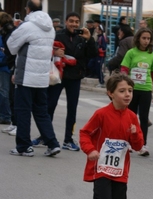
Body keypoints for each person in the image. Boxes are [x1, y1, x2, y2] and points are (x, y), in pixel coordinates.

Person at [79, 73, 144, 199]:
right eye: (122, 91)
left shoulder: (132, 117)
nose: (127, 94)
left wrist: (134, 134)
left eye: (130, 90)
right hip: (101, 166)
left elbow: (138, 146)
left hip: (120, 169)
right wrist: (90, 150)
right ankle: (99, 191)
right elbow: (85, 133)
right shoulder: (101, 114)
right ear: (110, 93)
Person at [32, 12, 97, 151]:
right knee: (50, 106)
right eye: (71, 21)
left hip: (75, 77)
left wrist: (89, 39)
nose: (74, 24)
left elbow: (93, 54)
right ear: (66, 22)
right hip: (58, 76)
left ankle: (68, 139)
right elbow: (44, 50)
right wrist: (54, 53)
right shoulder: (58, 35)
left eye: (76, 21)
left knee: (72, 109)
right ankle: (45, 136)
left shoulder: (83, 37)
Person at [7, 0, 61, 157]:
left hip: (26, 76)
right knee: (41, 112)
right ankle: (52, 143)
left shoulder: (27, 26)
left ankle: (23, 146)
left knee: (22, 111)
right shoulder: (50, 28)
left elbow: (11, 46)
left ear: (28, 9)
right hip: (42, 77)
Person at [120, 27, 153, 156]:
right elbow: (124, 68)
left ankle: (143, 144)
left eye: (149, 38)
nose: (146, 41)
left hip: (146, 89)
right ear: (138, 39)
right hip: (132, 90)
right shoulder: (131, 53)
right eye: (144, 38)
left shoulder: (152, 55)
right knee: (130, 116)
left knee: (144, 117)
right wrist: (125, 83)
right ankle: (129, 142)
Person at [0, 12, 17, 135]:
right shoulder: (8, 32)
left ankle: (7, 116)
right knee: (6, 92)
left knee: (5, 92)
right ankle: (10, 119)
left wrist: (3, 62)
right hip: (6, 65)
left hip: (5, 66)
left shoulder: (7, 34)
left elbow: (9, 52)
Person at [0, 33, 11, 125]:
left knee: (4, 92)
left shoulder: (4, 37)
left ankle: (6, 116)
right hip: (4, 67)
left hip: (4, 68)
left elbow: (4, 53)